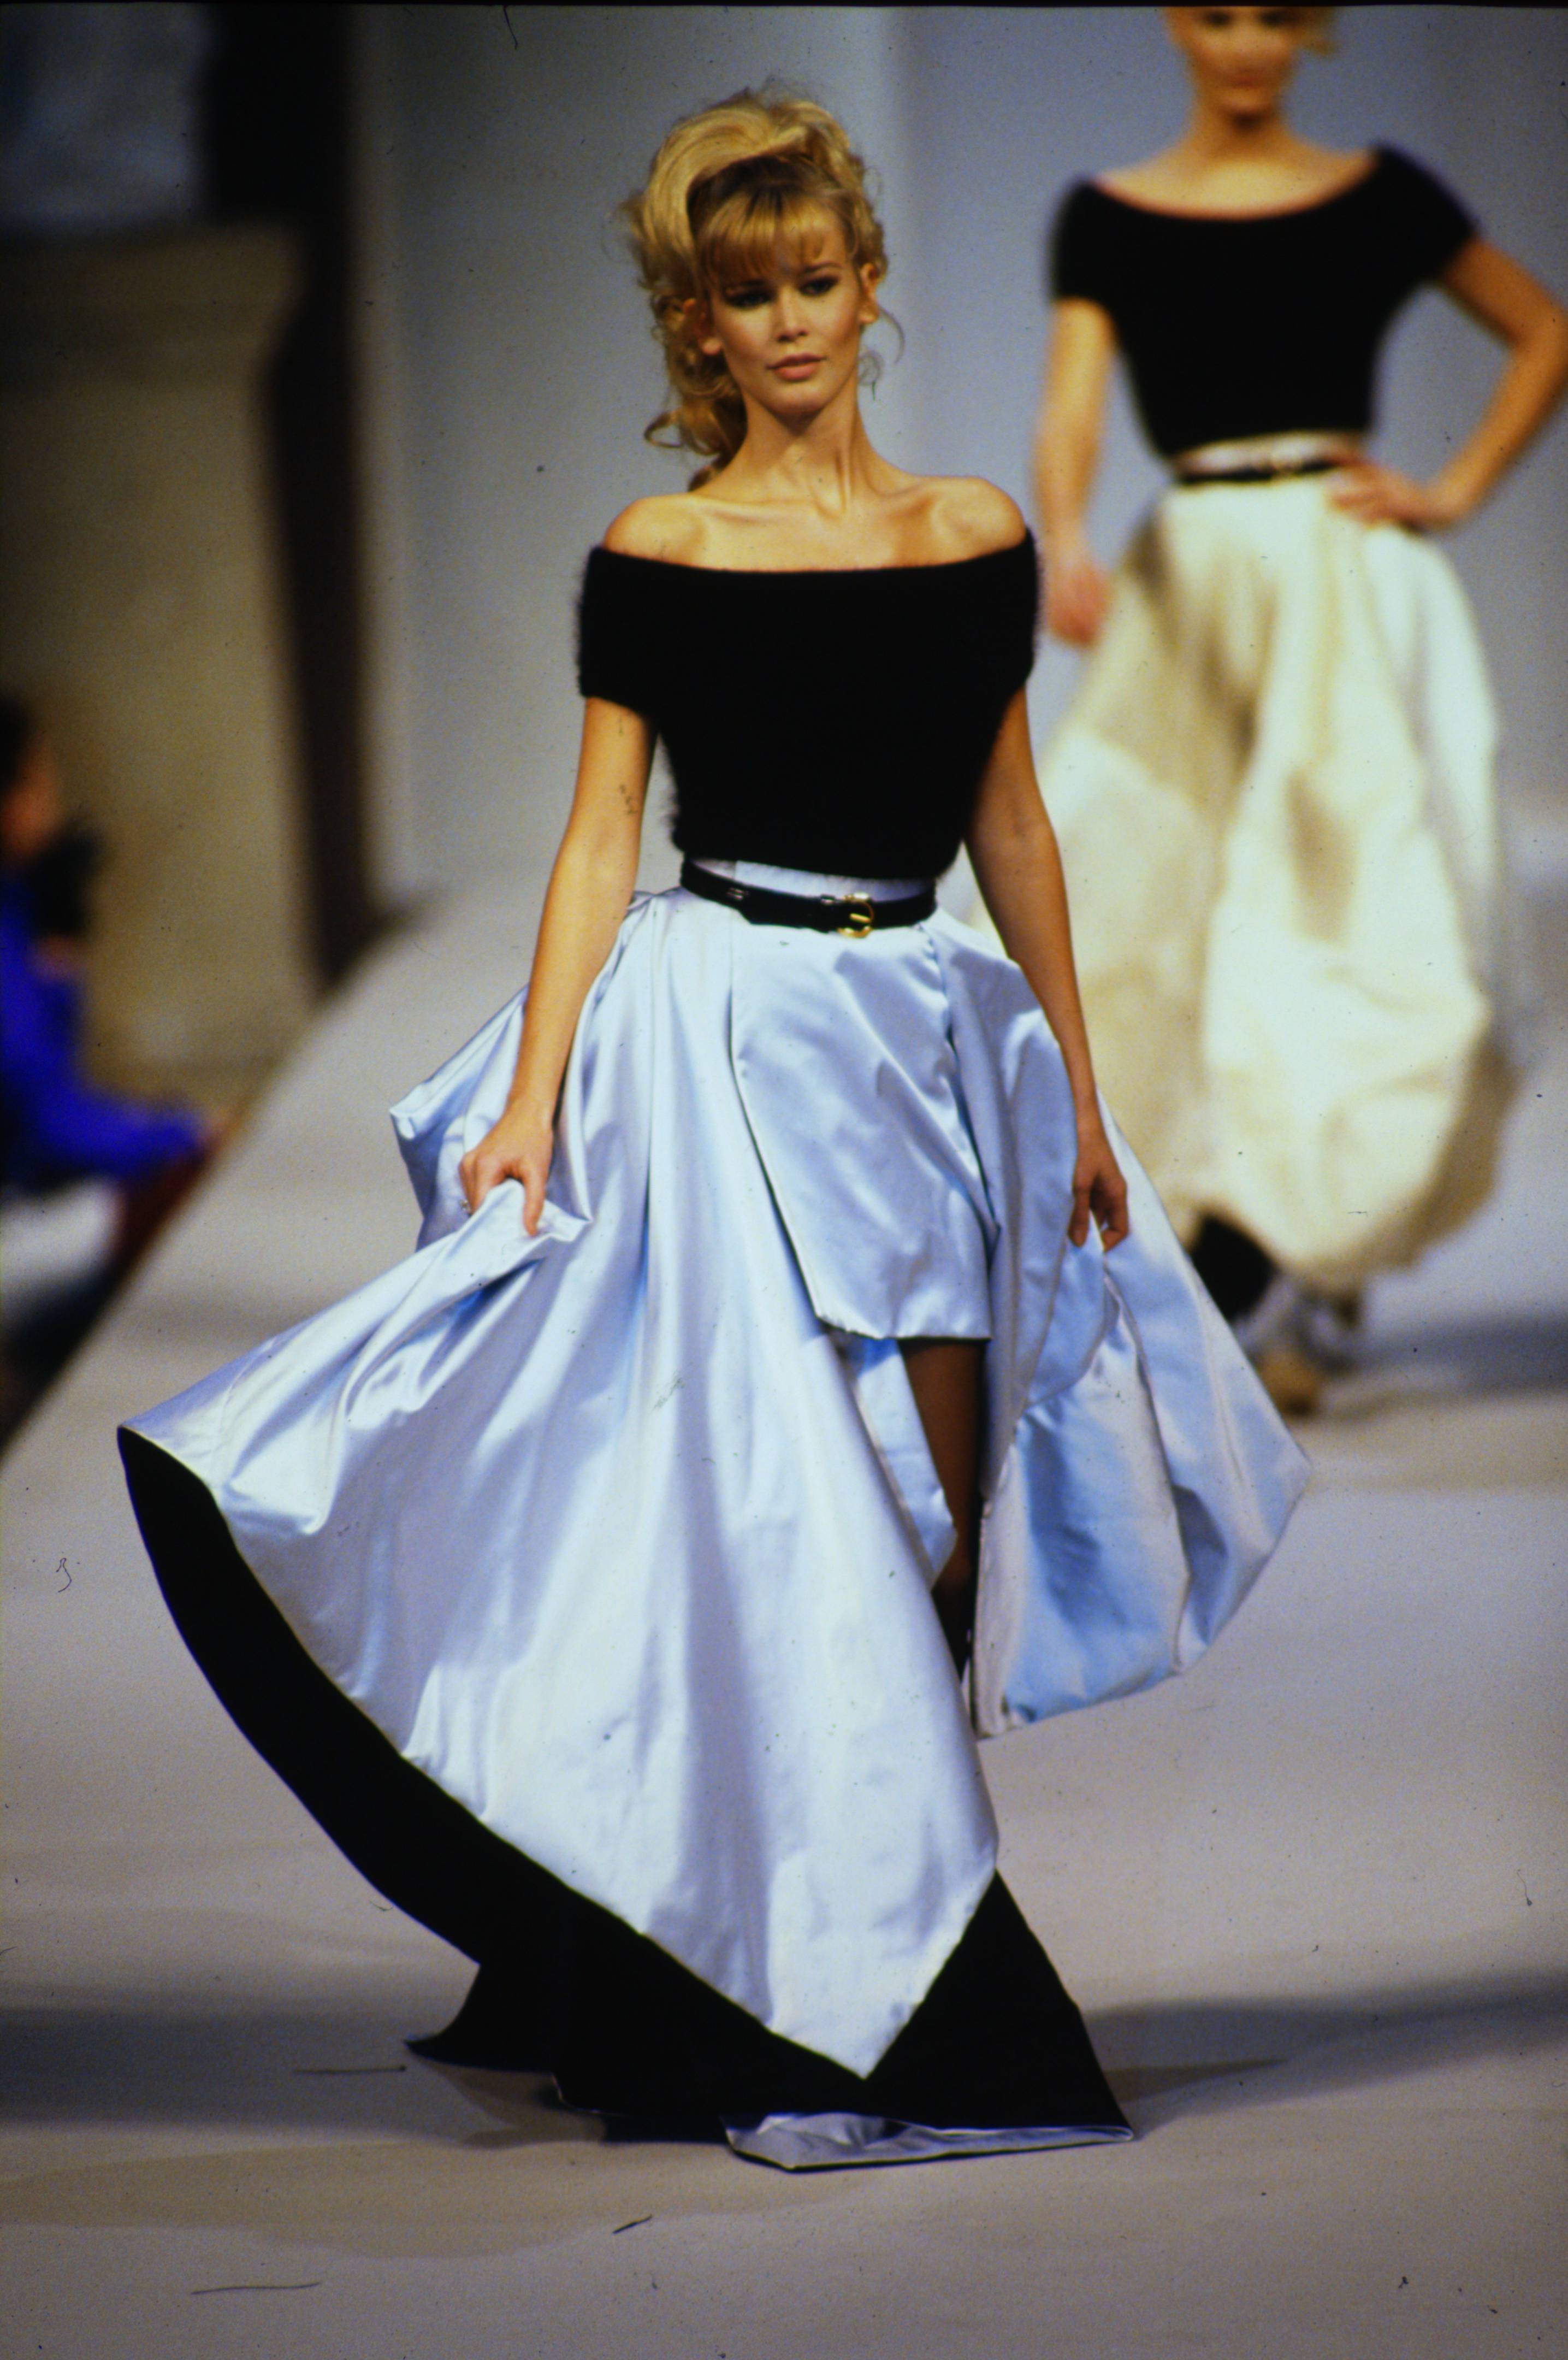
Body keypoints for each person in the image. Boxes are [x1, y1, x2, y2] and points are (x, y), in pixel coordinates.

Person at [119, 91, 1305, 2169]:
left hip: (918, 1038)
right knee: (757, 1519)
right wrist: (531, 1096)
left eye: (816, 280)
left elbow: (1014, 827)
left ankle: (829, 1923)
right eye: (747, 296)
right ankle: (854, 1973)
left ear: (869, 284)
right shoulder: (659, 555)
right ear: (699, 324)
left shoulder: (972, 538)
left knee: (935, 1528)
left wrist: (1084, 1091)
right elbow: (600, 836)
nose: (789, 322)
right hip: (715, 1042)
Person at [1025, 5, 1568, 1412]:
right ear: (1174, 23)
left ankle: (1284, 1253)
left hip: (1340, 577)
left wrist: (1451, 490)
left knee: (1346, 909)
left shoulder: (1378, 197)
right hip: (1190, 579)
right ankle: (1234, 1247)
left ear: (1310, 31)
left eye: (1274, 14)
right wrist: (1064, 530)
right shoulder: (1109, 217)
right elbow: (1073, 401)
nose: (1246, 43)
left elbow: (1542, 330)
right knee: (1159, 903)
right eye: (1217, 13)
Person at [1, 698, 215, 1428]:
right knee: (174, 1183)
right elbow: (45, 1120)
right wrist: (184, 1133)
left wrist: (57, 948)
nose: (54, 806)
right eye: (41, 784)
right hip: (16, 1218)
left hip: (26, 1196)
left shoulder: (21, 912)